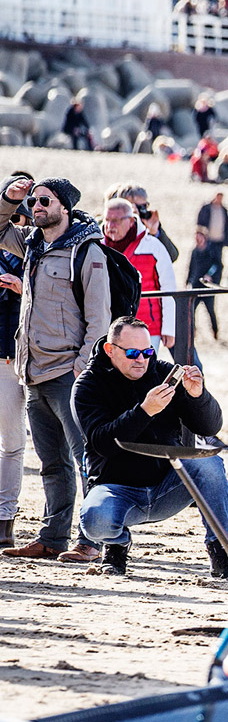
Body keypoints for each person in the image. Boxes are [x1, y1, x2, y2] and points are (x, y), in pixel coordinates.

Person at [67, 316, 228, 577]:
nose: (141, 360)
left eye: (147, 352)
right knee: (95, 522)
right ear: (110, 350)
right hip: (116, 489)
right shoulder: (89, 384)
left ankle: (221, 551)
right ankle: (116, 546)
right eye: (133, 353)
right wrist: (144, 411)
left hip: (167, 485)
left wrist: (198, 396)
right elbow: (102, 443)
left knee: (208, 462)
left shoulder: (160, 372)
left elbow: (209, 428)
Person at [0, 175, 111, 562]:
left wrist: (84, 368)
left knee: (87, 460)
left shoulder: (87, 251)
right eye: (33, 202)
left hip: (69, 373)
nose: (36, 207)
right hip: (34, 372)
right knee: (52, 462)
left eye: (44, 201)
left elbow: (100, 319)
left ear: (64, 206)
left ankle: (92, 539)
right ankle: (52, 538)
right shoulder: (31, 243)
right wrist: (8, 196)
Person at [101, 198, 176, 350]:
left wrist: (169, 328)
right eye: (107, 220)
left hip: (147, 325)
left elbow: (169, 288)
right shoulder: (97, 247)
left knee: (142, 369)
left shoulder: (153, 247)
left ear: (130, 220)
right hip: (108, 325)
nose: (110, 226)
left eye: (116, 221)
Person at [0, 240, 22, 548]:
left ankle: (4, 518)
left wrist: (24, 289)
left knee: (13, 440)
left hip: (16, 355)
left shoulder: (38, 249)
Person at [106, 182, 177, 262]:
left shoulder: (147, 225)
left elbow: (172, 257)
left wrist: (156, 233)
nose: (138, 212)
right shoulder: (109, 226)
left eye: (142, 207)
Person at [187, 228, 223, 341]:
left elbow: (218, 265)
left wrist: (210, 275)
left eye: (199, 237)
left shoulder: (212, 250)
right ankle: (193, 332)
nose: (198, 240)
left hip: (208, 287)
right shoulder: (195, 251)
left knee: (210, 311)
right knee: (191, 310)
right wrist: (188, 281)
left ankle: (215, 332)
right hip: (196, 286)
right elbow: (191, 267)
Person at [195, 192, 228, 273]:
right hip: (208, 240)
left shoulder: (224, 210)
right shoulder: (207, 208)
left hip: (219, 240)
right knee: (205, 261)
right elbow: (200, 222)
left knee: (218, 262)